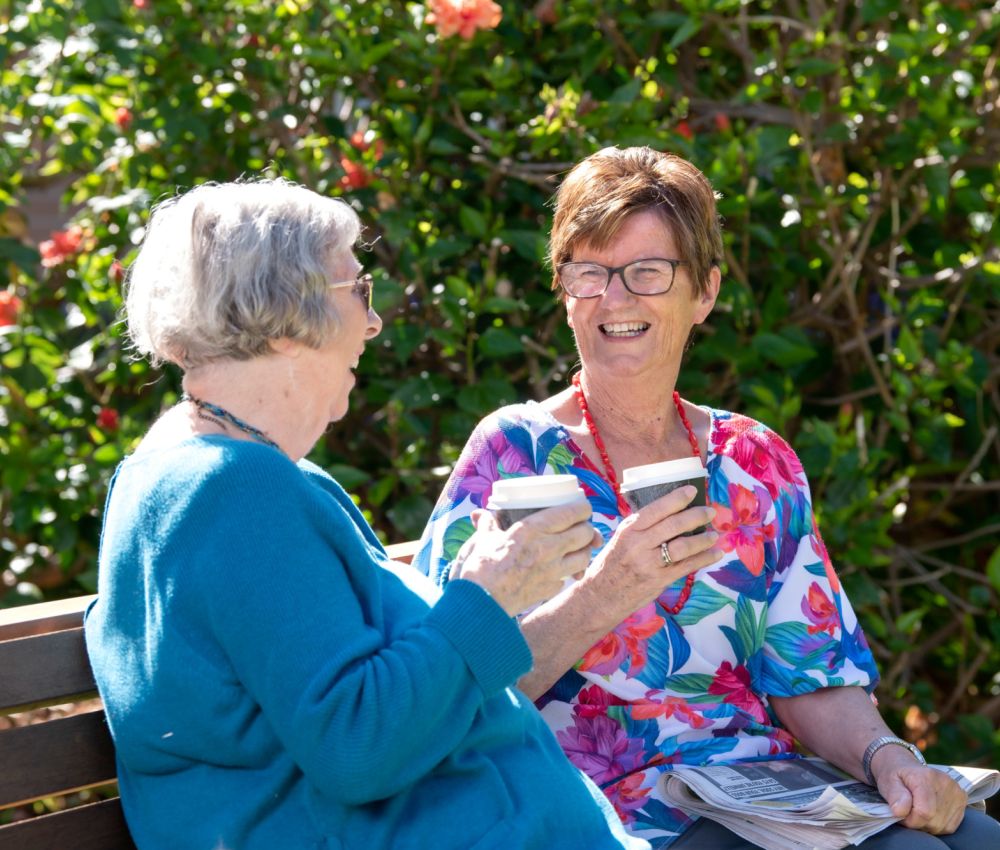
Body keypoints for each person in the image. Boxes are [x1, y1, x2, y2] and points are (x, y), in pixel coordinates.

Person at [414, 147, 1000, 849]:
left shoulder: (756, 460)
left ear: (706, 292)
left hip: (771, 802)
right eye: (590, 272)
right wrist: (608, 591)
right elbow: (442, 691)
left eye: (648, 272)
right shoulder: (512, 455)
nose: (616, 297)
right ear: (563, 288)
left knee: (968, 839)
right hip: (606, 814)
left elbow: (810, 675)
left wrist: (889, 758)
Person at [83, 178, 651, 850]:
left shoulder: (229, 474)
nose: (374, 322)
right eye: (359, 290)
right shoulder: (229, 493)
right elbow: (358, 747)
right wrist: (485, 596)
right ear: (288, 315)